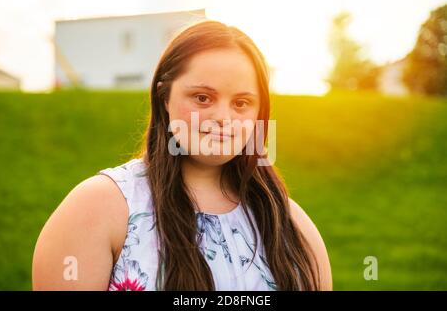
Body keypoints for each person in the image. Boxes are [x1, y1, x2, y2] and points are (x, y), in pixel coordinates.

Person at [32, 20, 332, 291]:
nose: (223, 117)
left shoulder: (290, 223)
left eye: (241, 103)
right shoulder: (99, 208)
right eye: (203, 98)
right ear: (164, 98)